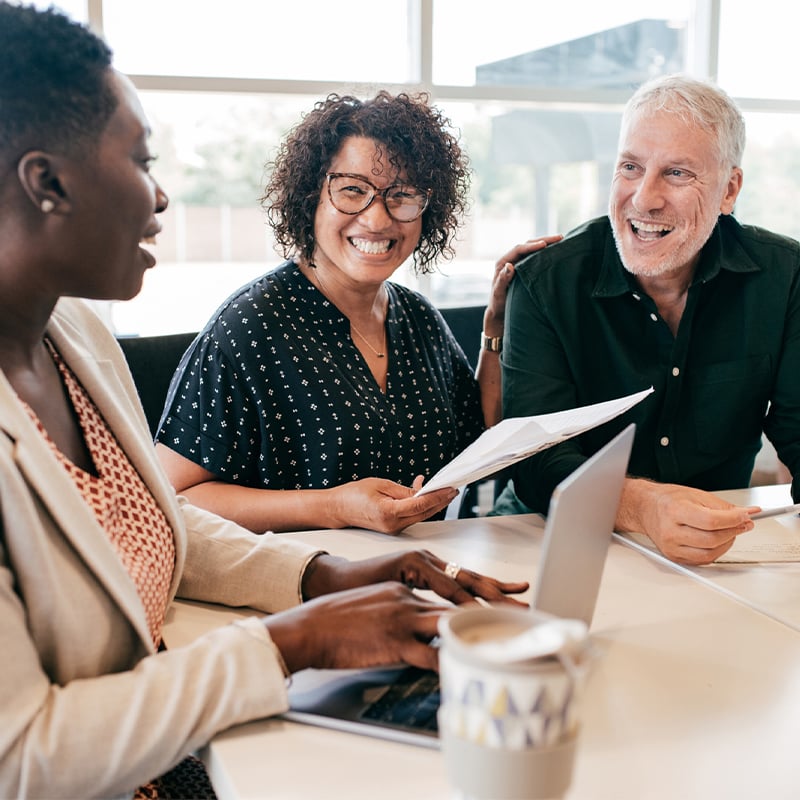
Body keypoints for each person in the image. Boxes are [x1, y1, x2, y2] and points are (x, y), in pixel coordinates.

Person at [0, 5, 529, 798]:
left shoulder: (73, 338)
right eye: (141, 159)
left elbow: (163, 526)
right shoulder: (251, 322)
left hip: (177, 750)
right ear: (46, 182)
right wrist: (293, 641)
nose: (164, 195)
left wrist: (326, 578)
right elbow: (21, 759)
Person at [154, 91, 559, 534]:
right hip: (301, 584)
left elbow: (480, 434)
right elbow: (175, 497)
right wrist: (332, 507)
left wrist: (496, 327)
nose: (378, 219)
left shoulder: (417, 317)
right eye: (353, 190)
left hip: (420, 573)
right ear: (310, 197)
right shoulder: (249, 328)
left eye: (402, 196)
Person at [498, 73, 800, 567]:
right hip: (553, 535)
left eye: (677, 173)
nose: (644, 198)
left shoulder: (786, 277)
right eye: (631, 167)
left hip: (715, 550)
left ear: (729, 189)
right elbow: (537, 463)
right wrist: (644, 505)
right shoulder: (544, 284)